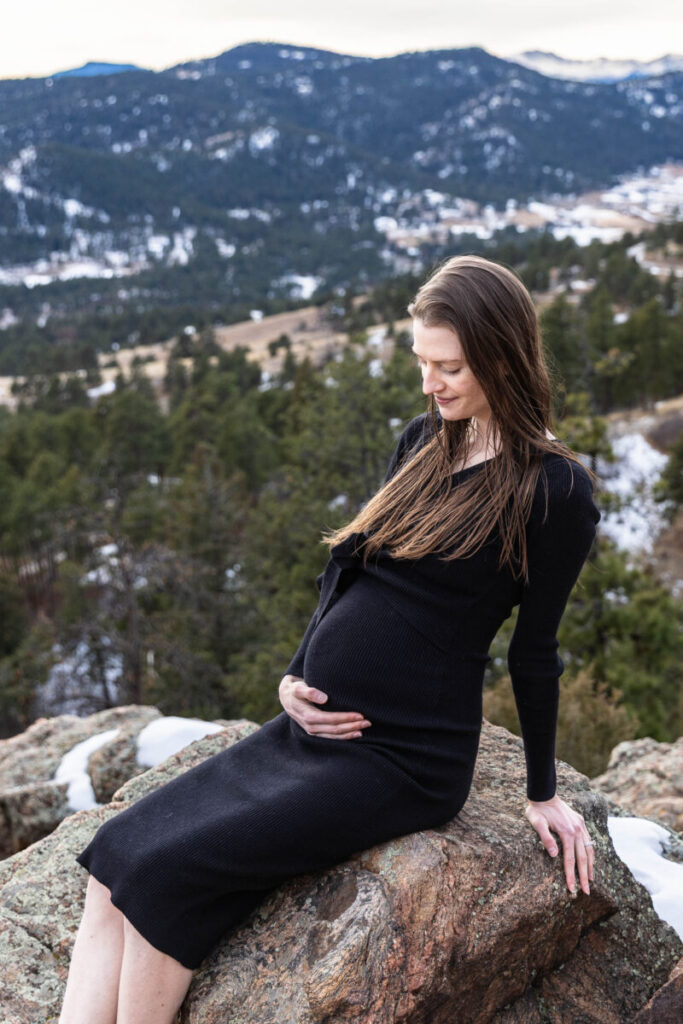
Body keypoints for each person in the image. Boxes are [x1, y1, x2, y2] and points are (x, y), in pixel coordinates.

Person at [59, 254, 601, 1024]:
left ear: (503, 358)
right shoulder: (425, 440)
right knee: (113, 857)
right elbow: (347, 567)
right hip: (311, 732)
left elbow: (534, 651)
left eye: (449, 367)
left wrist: (541, 792)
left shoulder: (554, 490)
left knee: (163, 880)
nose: (430, 383)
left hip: (402, 757)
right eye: (420, 362)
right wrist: (294, 675)